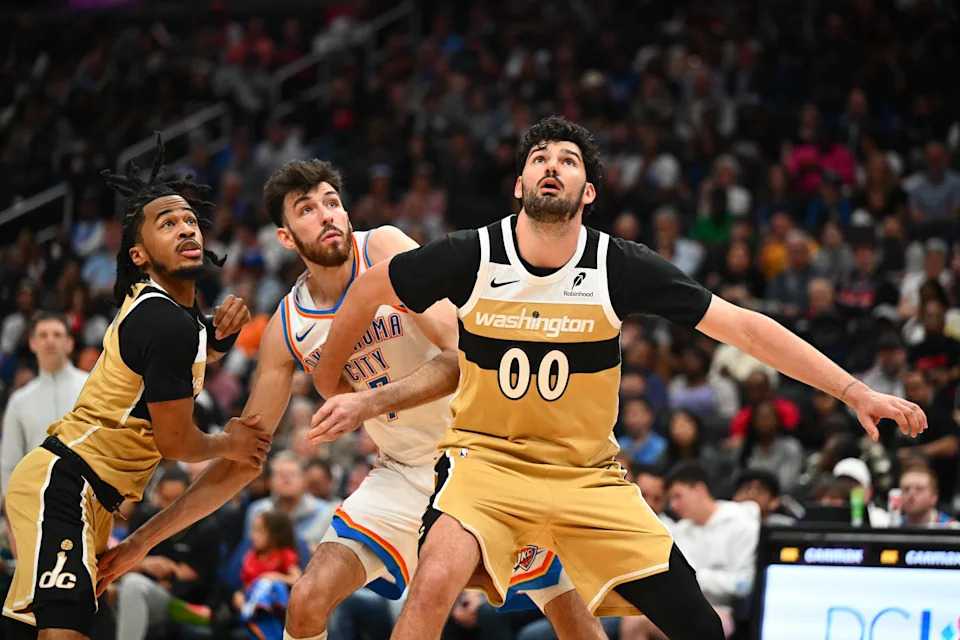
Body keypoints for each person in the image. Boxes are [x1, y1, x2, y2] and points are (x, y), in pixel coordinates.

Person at [311, 115, 927, 640]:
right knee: (432, 586)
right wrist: (330, 381)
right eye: (539, 158)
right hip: (485, 468)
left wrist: (854, 390)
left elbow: (744, 327)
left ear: (589, 192)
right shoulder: (472, 253)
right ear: (520, 183)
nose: (552, 166)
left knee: (701, 627)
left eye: (569, 161)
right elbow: (370, 285)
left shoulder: (618, 264)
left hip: (587, 478)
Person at [96, 158, 603, 640]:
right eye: (308, 210)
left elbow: (461, 357)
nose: (327, 216)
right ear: (285, 237)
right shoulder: (287, 327)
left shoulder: (384, 248)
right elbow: (242, 459)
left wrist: (368, 404)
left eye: (332, 202)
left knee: (562, 602)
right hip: (404, 471)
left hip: (488, 453)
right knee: (306, 600)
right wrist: (143, 539)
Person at [2, 135, 270, 640]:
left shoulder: (173, 317)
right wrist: (228, 443)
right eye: (167, 223)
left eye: (190, 220)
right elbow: (176, 442)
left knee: (31, 626)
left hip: (87, 492)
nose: (186, 227)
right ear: (140, 254)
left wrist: (218, 339)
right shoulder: (162, 322)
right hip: (67, 483)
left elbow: (183, 357)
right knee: (67, 628)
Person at [621, 462, 761, 639]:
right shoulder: (679, 530)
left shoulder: (742, 523)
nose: (673, 505)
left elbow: (744, 583)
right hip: (683, 605)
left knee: (640, 622)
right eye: (671, 499)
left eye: (678, 496)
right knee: (633, 618)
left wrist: (695, 578)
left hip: (723, 610)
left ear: (699, 490)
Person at [115, 468, 220, 640]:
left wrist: (169, 576)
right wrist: (144, 564)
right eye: (165, 499)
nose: (170, 506)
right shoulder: (145, 519)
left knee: (133, 585)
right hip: (144, 590)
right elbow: (117, 566)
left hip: (182, 602)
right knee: (114, 588)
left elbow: (199, 580)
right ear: (156, 495)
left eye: (177, 499)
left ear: (188, 496)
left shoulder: (206, 529)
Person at [1, 314, 88, 499]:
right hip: (35, 503)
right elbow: (9, 464)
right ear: (32, 343)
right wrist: (10, 506)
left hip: (88, 501)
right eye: (43, 335)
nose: (50, 340)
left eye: (57, 334)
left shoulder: (91, 388)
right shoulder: (19, 401)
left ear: (70, 343)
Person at [235, 510, 302, 640]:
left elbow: (298, 579)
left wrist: (273, 576)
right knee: (257, 585)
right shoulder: (251, 558)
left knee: (272, 584)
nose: (253, 536)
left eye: (259, 531)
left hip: (275, 607)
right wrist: (239, 597)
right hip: (251, 600)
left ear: (276, 535)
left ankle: (262, 621)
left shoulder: (284, 554)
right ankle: (253, 617)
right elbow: (245, 587)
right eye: (253, 530)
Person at [894, 464, 959, 528]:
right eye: (906, 489)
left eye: (919, 489)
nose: (911, 494)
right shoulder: (891, 525)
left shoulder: (952, 528)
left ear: (934, 497)